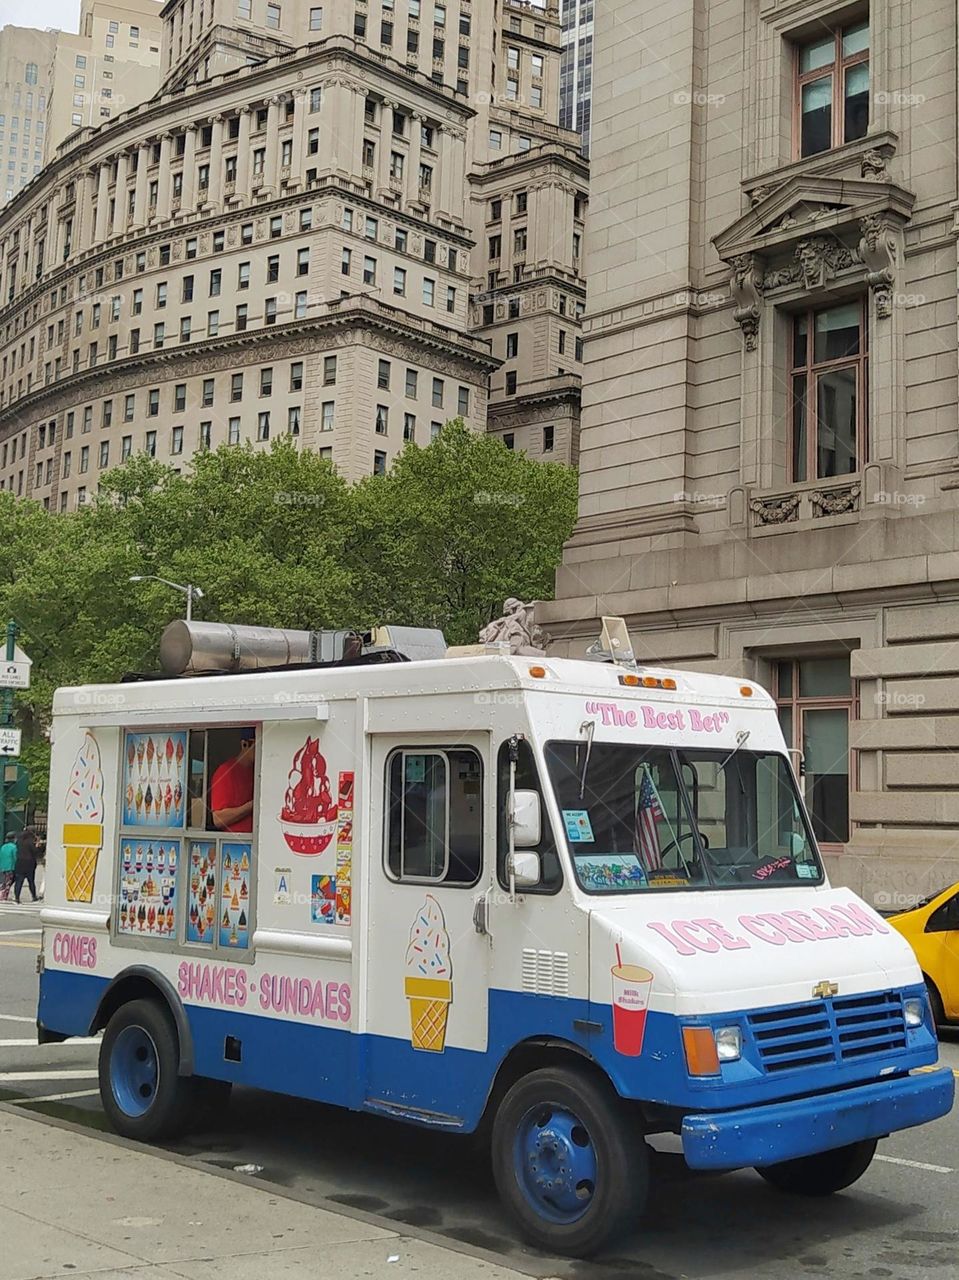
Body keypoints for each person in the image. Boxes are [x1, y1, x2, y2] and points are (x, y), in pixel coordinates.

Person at [209, 730, 256, 833]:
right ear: (244, 744)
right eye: (257, 745)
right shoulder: (225, 771)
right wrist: (252, 805)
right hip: (234, 844)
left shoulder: (257, 772)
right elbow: (218, 819)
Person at [14, 826, 41, 904]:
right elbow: (35, 852)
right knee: (31, 881)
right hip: (29, 863)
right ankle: (34, 896)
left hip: (19, 862)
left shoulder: (19, 840)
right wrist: (38, 844)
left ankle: (17, 898)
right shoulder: (30, 841)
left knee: (19, 881)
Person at [0, 832, 16, 901]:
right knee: (8, 882)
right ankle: (4, 896)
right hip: (10, 867)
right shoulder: (14, 847)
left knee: (3, 882)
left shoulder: (3, 847)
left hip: (2, 867)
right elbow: (15, 857)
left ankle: (1, 894)